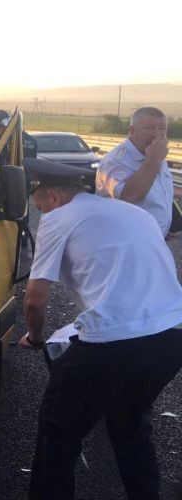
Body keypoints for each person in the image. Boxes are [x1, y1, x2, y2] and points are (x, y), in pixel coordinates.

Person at [20, 157, 182, 500]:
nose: (38, 211)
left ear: (52, 197)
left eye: (37, 204)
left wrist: (35, 338)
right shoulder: (135, 213)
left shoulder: (57, 218)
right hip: (172, 337)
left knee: (57, 430)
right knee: (129, 423)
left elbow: (35, 299)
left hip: (113, 344)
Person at [95, 106, 173, 236]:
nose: (156, 134)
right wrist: (153, 160)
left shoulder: (154, 152)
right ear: (131, 131)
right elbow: (128, 197)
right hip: (125, 241)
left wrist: (163, 226)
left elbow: (156, 199)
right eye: (148, 128)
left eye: (162, 129)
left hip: (153, 239)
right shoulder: (116, 161)